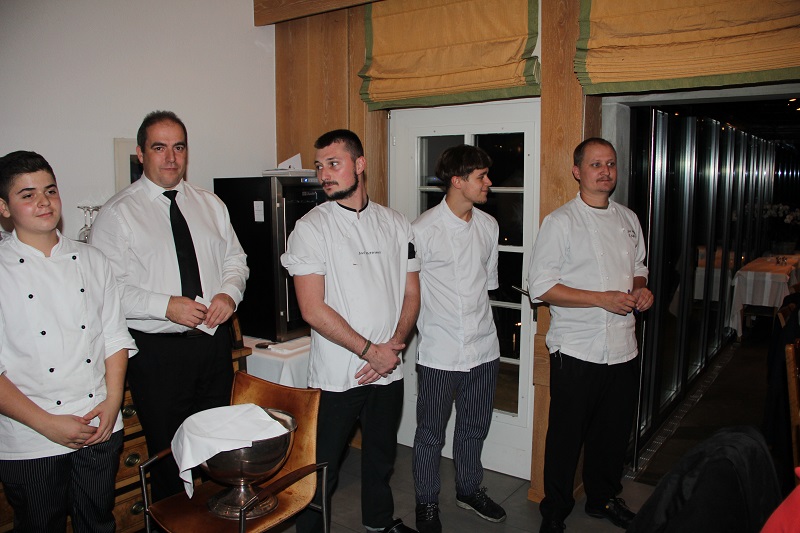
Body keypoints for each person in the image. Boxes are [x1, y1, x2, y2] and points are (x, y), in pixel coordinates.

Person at [90, 111, 249, 501]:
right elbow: (106, 290)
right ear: (141, 154)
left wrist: (228, 294)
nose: (171, 157)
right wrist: (165, 306)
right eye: (159, 148)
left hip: (212, 344)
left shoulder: (211, 204)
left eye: (179, 147)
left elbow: (236, 260)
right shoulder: (117, 214)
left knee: (217, 447)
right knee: (170, 457)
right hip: (157, 354)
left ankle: (216, 521)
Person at [281, 129, 420, 533]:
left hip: (388, 368)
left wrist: (392, 349)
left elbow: (411, 293)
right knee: (320, 470)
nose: (324, 174)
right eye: (319, 166)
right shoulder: (310, 228)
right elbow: (312, 309)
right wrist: (371, 352)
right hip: (337, 375)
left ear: (359, 164)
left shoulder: (396, 223)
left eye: (333, 164)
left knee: (380, 458)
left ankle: (379, 523)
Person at [0, 151, 136, 532]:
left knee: (99, 524)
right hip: (31, 438)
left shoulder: (93, 259)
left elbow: (114, 337)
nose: (43, 202)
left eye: (50, 190)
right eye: (27, 195)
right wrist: (48, 425)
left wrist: (112, 403)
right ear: (4, 207)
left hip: (99, 427)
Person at [527, 138, 654, 533]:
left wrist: (641, 289)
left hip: (624, 347)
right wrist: (601, 298)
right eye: (596, 164)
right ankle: (554, 510)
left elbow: (639, 266)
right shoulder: (560, 222)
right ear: (577, 171)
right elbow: (541, 286)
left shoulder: (628, 219)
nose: (605, 171)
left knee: (611, 435)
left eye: (610, 164)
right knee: (565, 438)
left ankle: (603, 499)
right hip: (576, 349)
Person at [411, 145, 506, 533]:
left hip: (484, 349)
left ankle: (469, 489)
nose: (488, 183)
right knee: (430, 435)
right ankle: (426, 502)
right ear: (457, 180)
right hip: (439, 352)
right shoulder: (422, 230)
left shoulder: (489, 226)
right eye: (481, 176)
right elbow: (408, 293)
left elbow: (488, 285)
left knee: (474, 429)